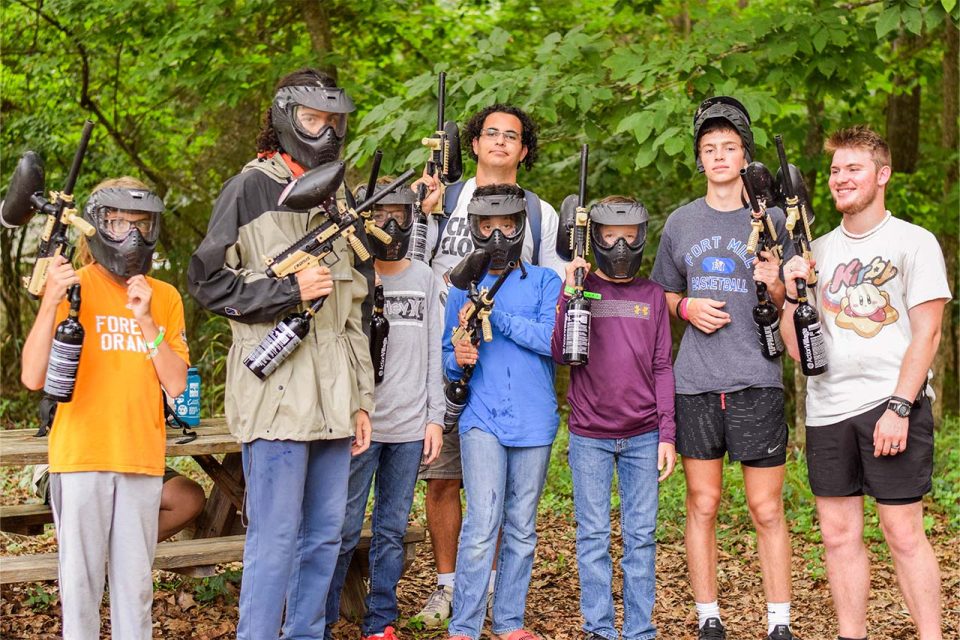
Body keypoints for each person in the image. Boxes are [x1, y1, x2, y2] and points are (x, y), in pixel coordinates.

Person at [187, 67, 372, 640]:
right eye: (314, 119)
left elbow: (357, 311)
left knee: (326, 535)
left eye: (335, 121)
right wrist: (286, 291)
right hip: (275, 396)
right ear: (287, 118)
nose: (326, 132)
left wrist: (362, 399)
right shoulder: (250, 188)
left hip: (336, 401)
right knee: (273, 536)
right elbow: (208, 281)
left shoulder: (338, 196)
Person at [781, 125, 950, 640]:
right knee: (837, 536)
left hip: (890, 405)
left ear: (883, 175)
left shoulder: (913, 242)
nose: (840, 179)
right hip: (828, 410)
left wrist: (900, 407)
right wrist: (789, 293)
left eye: (853, 168)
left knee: (903, 533)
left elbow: (929, 332)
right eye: (834, 170)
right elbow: (799, 350)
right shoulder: (818, 252)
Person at [412, 104, 567, 625]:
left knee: (502, 498)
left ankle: (499, 596)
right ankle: (448, 585)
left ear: (525, 151)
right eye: (490, 133)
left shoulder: (540, 213)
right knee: (444, 477)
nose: (501, 142)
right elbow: (410, 263)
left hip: (511, 375)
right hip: (443, 358)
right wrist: (422, 210)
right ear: (473, 144)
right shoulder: (445, 198)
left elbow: (550, 296)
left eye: (513, 136)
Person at [650, 96, 797, 640]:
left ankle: (778, 621)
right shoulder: (682, 222)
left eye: (729, 147)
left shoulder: (773, 219)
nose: (719, 156)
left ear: (744, 156)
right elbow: (663, 292)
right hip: (697, 381)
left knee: (765, 507)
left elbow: (790, 297)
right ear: (700, 158)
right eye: (709, 149)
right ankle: (708, 614)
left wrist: (775, 282)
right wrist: (686, 307)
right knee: (703, 502)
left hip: (757, 376)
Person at [20, 176, 189, 639]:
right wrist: (51, 299)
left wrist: (147, 319)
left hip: (140, 458)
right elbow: (33, 377)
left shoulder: (165, 297)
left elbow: (177, 386)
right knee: (80, 586)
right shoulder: (72, 286)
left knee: (134, 589)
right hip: (80, 459)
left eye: (141, 224)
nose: (130, 236)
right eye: (117, 223)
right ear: (96, 226)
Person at [551, 196, 677, 640]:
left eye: (628, 236)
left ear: (642, 236)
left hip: (644, 435)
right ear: (594, 238)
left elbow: (663, 365)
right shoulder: (582, 291)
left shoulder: (653, 295)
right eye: (609, 237)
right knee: (593, 538)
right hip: (590, 436)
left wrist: (668, 434)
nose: (620, 246)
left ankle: (640, 630)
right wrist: (571, 293)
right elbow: (559, 352)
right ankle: (599, 629)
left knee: (641, 537)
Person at [324, 178, 445, 640]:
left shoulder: (425, 278)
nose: (389, 223)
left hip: (411, 427)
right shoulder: (353, 279)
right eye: (379, 215)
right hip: (362, 426)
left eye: (399, 214)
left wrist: (435, 418)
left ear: (412, 218)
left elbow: (436, 353)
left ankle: (381, 621)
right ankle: (324, 619)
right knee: (344, 527)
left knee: (391, 529)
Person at [442, 184, 562, 640]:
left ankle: (510, 622)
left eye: (506, 225)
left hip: (534, 419)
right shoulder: (460, 286)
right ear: (474, 228)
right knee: (481, 523)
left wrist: (494, 315)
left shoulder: (546, 282)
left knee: (521, 526)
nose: (496, 235)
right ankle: (464, 627)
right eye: (487, 226)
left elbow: (551, 340)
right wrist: (460, 352)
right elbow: (447, 357)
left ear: (520, 228)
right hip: (482, 418)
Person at [34, 463, 206, 542]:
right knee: (93, 499)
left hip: (131, 459)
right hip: (70, 463)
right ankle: (95, 559)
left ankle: (120, 553)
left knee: (187, 497)